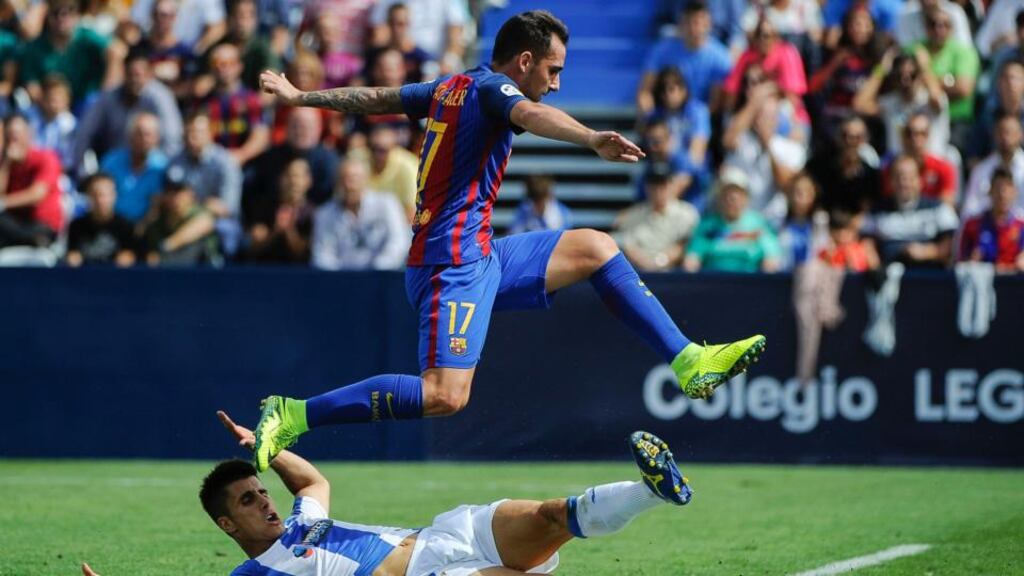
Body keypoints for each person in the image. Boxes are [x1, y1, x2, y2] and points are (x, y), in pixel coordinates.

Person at [255, 9, 766, 472]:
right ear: (524, 61)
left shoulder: (449, 86)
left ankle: (688, 360)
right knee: (445, 396)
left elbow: (375, 99)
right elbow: (530, 115)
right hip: (448, 265)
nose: (557, 84)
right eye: (553, 70)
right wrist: (591, 138)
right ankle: (294, 413)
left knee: (597, 247)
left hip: (482, 254)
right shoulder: (493, 89)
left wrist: (302, 97)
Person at [80, 412, 693, 576]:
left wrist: (264, 450)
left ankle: (654, 491)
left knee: (553, 515)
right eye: (247, 501)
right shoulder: (256, 574)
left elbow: (313, 482)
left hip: (445, 534)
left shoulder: (301, 525)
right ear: (226, 526)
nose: (264, 501)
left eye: (259, 491)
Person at [311, 159, 410, 270]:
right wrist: (340, 277)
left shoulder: (387, 204)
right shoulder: (324, 214)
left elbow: (399, 241)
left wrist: (377, 269)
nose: (349, 185)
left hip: (382, 276)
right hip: (340, 278)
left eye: (354, 179)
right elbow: (322, 254)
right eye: (344, 179)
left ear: (366, 180)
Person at [637, 1, 733, 114]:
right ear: (681, 24)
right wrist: (650, 115)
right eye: (688, 22)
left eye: (697, 22)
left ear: (708, 23)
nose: (693, 29)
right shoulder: (661, 51)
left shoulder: (721, 58)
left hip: (702, 119)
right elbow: (645, 91)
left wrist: (696, 118)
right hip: (665, 116)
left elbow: (716, 104)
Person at [863, 154, 959, 267]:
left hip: (931, 273)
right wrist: (873, 263)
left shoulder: (939, 209)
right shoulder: (877, 211)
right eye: (899, 177)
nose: (904, 183)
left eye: (910, 178)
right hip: (888, 273)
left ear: (920, 180)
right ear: (890, 181)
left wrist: (928, 252)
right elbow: (867, 242)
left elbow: (953, 241)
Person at [683, 166, 783, 273]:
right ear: (719, 197)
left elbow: (772, 257)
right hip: (713, 280)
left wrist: (769, 264)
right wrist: (692, 263)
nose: (731, 199)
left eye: (737, 194)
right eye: (726, 194)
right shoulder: (707, 226)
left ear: (746, 198)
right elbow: (692, 257)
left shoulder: (758, 224)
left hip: (749, 280)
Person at [614, 167, 699, 272]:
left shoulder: (687, 213)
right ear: (646, 188)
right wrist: (646, 264)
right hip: (639, 272)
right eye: (653, 185)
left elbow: (685, 244)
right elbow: (628, 245)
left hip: (675, 273)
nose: (658, 190)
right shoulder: (633, 214)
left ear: (672, 186)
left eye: (663, 185)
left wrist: (661, 261)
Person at [0, 113, 63, 248]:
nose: (13, 140)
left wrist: (4, 203)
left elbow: (36, 194)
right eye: (8, 136)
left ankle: (32, 240)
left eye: (17, 134)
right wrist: (6, 163)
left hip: (42, 224)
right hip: (14, 222)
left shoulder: (46, 158)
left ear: (29, 134)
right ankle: (29, 240)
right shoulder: (4, 163)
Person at [99, 111, 168, 224]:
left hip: (146, 226)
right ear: (130, 136)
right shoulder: (111, 161)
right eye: (139, 134)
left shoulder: (162, 166)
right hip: (113, 224)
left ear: (157, 138)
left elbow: (157, 205)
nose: (144, 139)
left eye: (149, 135)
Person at [957, 166, 1024, 272]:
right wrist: (972, 262)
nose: (1002, 194)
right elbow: (961, 264)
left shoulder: (1021, 227)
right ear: (990, 192)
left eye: (1007, 189)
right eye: (998, 188)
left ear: (1015, 193)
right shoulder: (972, 225)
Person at [66, 172, 136, 267]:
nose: (100, 200)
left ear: (114, 195)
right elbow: (72, 256)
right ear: (88, 195)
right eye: (95, 194)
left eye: (104, 195)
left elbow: (130, 257)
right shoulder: (76, 226)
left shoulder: (126, 226)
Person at [508, 174, 572, 235]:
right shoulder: (524, 209)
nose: (537, 205)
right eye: (535, 200)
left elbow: (563, 236)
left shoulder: (561, 212)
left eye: (540, 200)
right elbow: (514, 233)